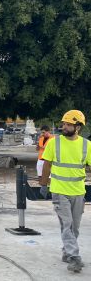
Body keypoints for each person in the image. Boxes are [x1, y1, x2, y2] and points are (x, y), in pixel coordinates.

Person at [39, 110, 91, 273]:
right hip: (59, 191)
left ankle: (66, 251)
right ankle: (74, 257)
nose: (64, 127)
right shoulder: (54, 143)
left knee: (74, 227)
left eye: (69, 124)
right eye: (64, 124)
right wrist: (43, 184)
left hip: (78, 192)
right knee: (67, 224)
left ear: (78, 127)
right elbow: (47, 164)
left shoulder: (86, 145)